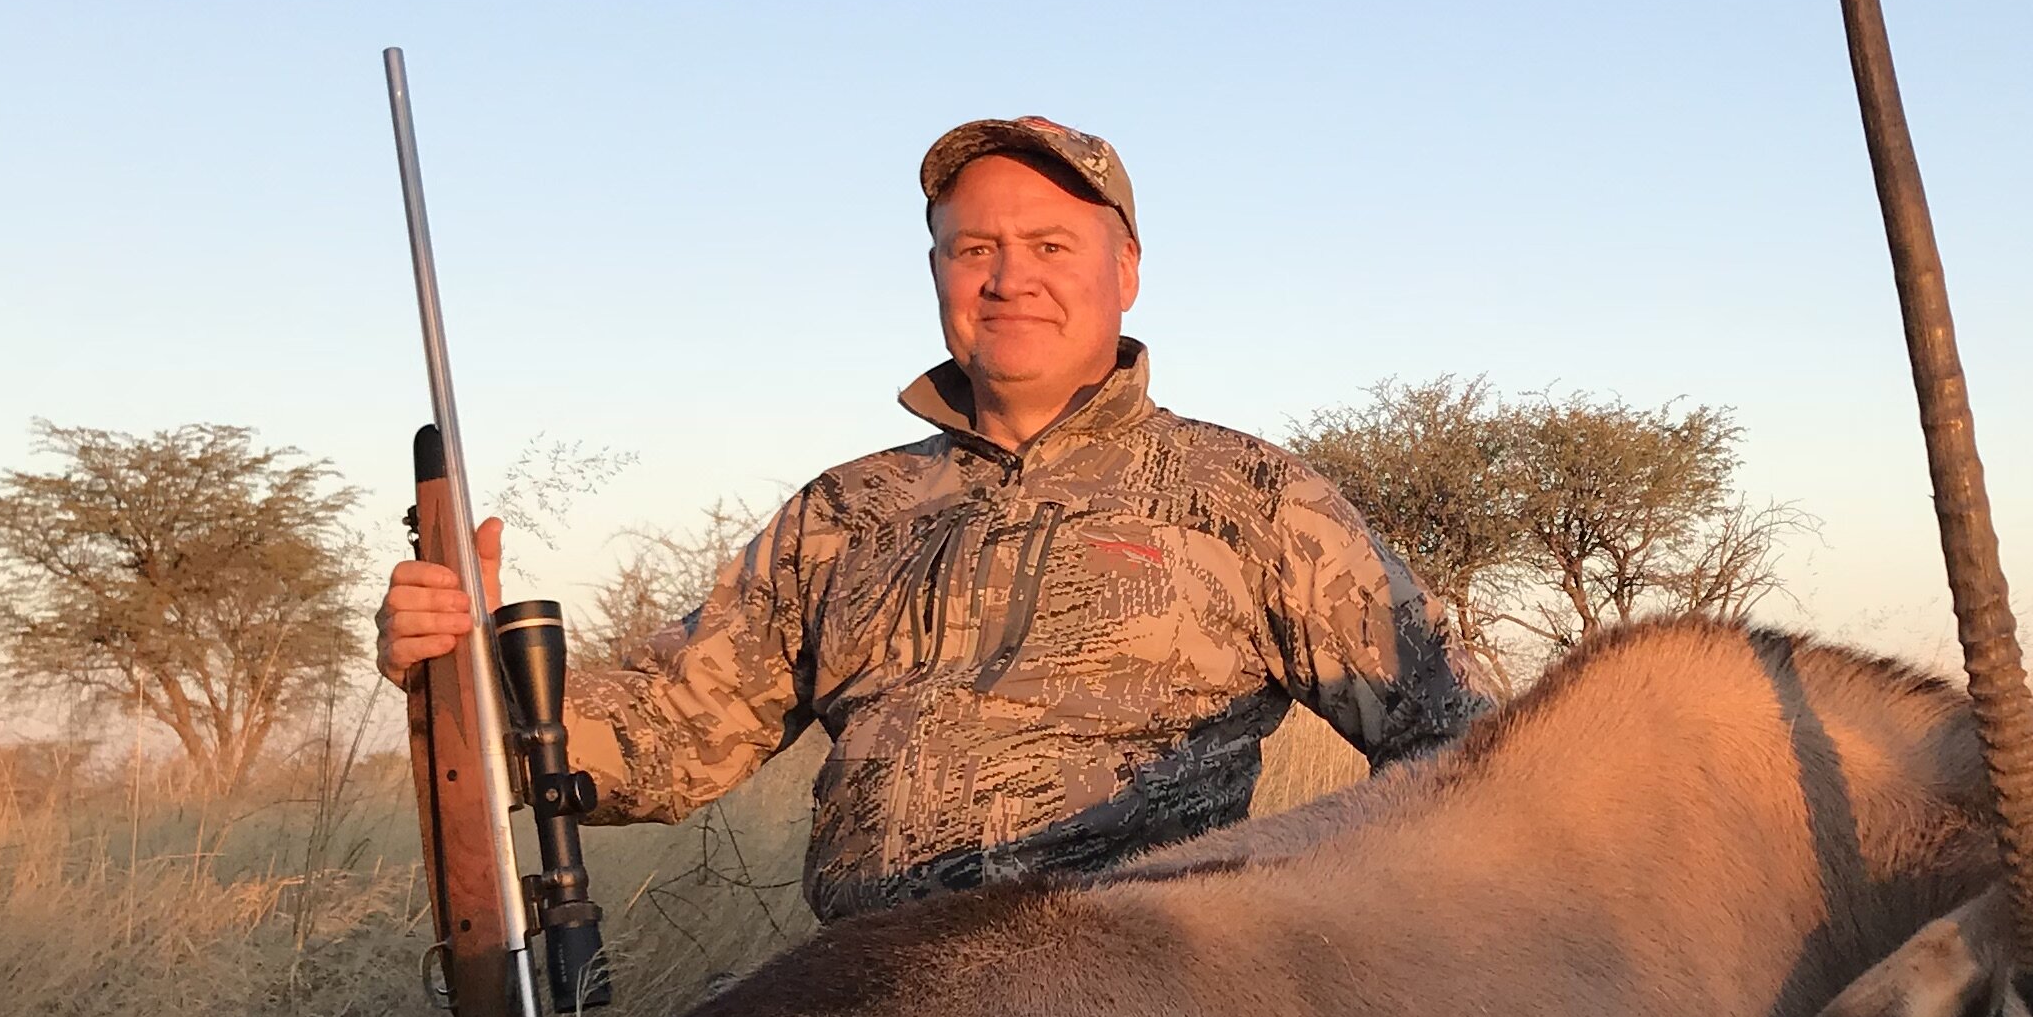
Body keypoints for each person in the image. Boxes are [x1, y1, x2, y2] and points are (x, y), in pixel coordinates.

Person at [376, 114, 1484, 923]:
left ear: (1127, 270)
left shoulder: (1254, 498)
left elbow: (1464, 752)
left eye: (1052, 246)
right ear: (939, 270)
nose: (1011, 279)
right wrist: (461, 680)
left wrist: (1310, 932)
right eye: (976, 248)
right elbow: (669, 738)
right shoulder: (843, 513)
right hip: (863, 1001)